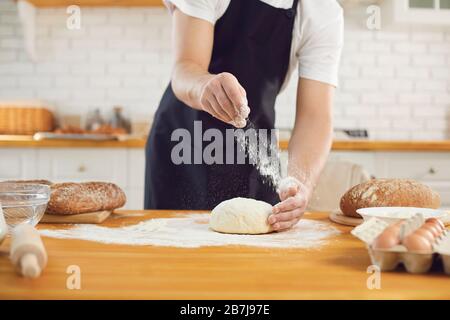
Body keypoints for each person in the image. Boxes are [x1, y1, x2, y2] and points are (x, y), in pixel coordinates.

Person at [145, 0, 343, 232]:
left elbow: (315, 116)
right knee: (171, 254)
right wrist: (205, 86)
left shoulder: (321, 11)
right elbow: (185, 68)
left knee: (254, 261)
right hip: (183, 145)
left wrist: (301, 184)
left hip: (254, 150)